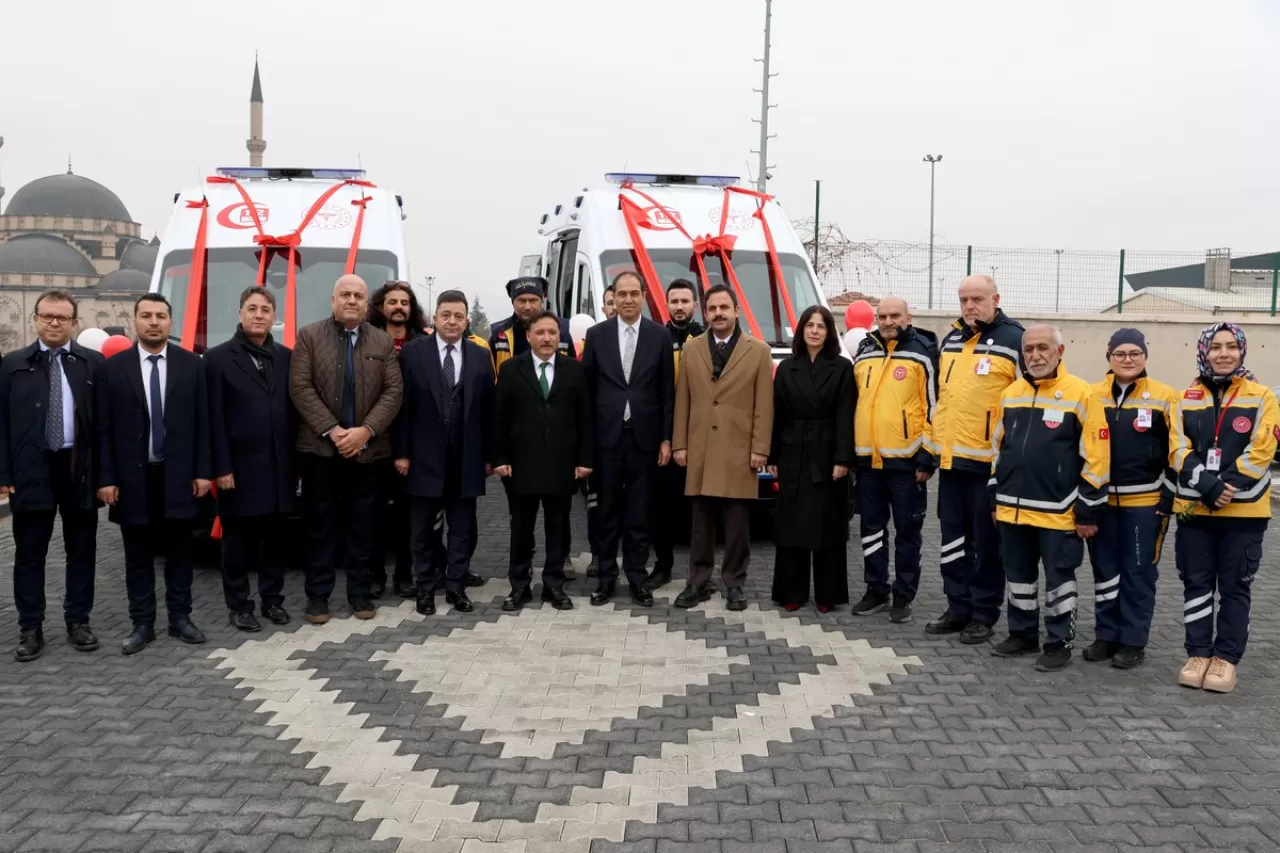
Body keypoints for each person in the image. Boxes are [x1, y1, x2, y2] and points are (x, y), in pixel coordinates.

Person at [95, 293, 213, 655]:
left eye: (161, 315)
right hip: (133, 478)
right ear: (135, 321)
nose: (154, 322)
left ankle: (180, 618)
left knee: (180, 552)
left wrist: (203, 471)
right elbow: (103, 429)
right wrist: (106, 477)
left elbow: (203, 424)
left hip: (179, 475)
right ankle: (142, 623)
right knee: (138, 555)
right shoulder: (114, 369)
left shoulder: (192, 364)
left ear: (171, 322)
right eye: (146, 315)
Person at [989, 325, 1109, 672]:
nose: (1035, 355)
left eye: (1043, 348)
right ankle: (1022, 634)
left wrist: (1087, 508)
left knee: (1059, 580)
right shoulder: (1010, 393)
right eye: (1029, 349)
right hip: (1012, 510)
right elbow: (996, 448)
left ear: (1060, 351)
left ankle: (1059, 642)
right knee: (1019, 577)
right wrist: (994, 494)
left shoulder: (1081, 394)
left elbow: (1097, 457)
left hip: (1060, 512)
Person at [1170, 322, 1277, 694]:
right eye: (1215, 347)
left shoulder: (1262, 395)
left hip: (1244, 513)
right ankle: (1198, 653)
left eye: (1231, 346)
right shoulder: (1185, 396)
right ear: (1204, 351)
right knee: (1196, 584)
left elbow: (1263, 448)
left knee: (1235, 586)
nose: (1223, 354)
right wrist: (1208, 485)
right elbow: (1177, 446)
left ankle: (1226, 659)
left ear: (1242, 351)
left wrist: (1226, 486)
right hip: (1195, 511)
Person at [289, 274, 402, 625]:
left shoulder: (382, 342)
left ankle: (360, 593)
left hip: (367, 453)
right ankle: (318, 598)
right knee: (320, 526)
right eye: (345, 295)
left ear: (367, 303)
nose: (352, 300)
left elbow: (393, 392)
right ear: (333, 300)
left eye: (358, 295)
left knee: (363, 527)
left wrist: (365, 431)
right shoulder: (309, 336)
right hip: (320, 451)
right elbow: (300, 387)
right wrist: (335, 431)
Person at [0, 290, 105, 661]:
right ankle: (30, 627)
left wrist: (105, 476)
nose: (54, 323)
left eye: (62, 318)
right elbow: (1, 423)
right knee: (30, 553)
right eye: (48, 317)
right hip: (31, 468)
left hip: (78, 469)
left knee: (82, 550)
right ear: (36, 319)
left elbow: (104, 426)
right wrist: (4, 472)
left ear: (75, 322)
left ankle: (78, 620)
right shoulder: (12, 364)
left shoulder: (92, 364)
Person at [927, 274, 1025, 644]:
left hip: (989, 464)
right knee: (952, 539)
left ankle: (983, 613)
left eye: (977, 299)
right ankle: (957, 606)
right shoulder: (952, 339)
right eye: (964, 299)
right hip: (951, 461)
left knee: (986, 543)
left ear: (995, 299)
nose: (970, 306)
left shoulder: (1015, 340)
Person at [672, 284, 774, 611]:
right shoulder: (692, 349)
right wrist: (680, 444)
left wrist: (761, 448)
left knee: (737, 524)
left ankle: (734, 582)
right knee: (700, 524)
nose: (718, 314)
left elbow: (764, 404)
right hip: (700, 447)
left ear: (736, 311)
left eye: (724, 308)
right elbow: (683, 400)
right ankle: (698, 582)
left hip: (739, 449)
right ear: (706, 313)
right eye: (712, 308)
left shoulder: (757, 351)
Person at [1082, 328, 1179, 669]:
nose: (1127, 359)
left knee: (1138, 572)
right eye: (1120, 353)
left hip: (1144, 504)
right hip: (1101, 502)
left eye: (1134, 353)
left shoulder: (1165, 397)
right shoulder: (1091, 395)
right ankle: (1106, 636)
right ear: (1108, 357)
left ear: (1144, 357)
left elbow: (1177, 451)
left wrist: (1167, 496)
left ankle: (1133, 641)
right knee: (1105, 570)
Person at [394, 290, 495, 616]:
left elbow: (487, 409)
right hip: (423, 458)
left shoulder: (480, 356)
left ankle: (455, 587)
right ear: (435, 318)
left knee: (462, 528)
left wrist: (489, 455)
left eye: (459, 316)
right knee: (422, 530)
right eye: (446, 315)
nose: (452, 321)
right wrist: (402, 452)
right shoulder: (412, 353)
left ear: (467, 321)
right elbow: (402, 407)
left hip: (466, 458)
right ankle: (425, 589)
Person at [205, 286, 297, 632]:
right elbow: (213, 418)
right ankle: (240, 605)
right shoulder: (217, 359)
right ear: (240, 314)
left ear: (274, 317)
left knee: (275, 542)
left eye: (266, 309)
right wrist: (221, 467)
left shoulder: (287, 357)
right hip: (238, 471)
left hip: (278, 468)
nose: (259, 315)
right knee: (237, 544)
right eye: (252, 308)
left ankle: (272, 600)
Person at [582, 271, 675, 607]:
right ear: (613, 298)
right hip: (606, 439)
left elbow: (667, 393)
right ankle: (606, 579)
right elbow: (587, 391)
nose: (627, 300)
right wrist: (586, 443)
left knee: (639, 513)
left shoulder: (659, 336)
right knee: (606, 513)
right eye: (621, 294)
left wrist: (666, 439)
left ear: (644, 295)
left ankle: (637, 578)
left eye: (634, 293)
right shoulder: (597, 335)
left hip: (644, 440)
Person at [492, 311, 593, 611]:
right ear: (529, 337)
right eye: (540, 333)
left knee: (557, 527)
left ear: (559, 336)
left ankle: (553, 585)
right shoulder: (511, 369)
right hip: (521, 465)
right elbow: (498, 418)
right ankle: (519, 586)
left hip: (562, 464)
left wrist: (585, 459)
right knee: (521, 528)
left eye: (552, 332)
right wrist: (499, 458)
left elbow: (585, 419)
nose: (547, 338)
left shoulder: (574, 370)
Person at [849, 297, 938, 624]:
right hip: (867, 462)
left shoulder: (922, 353)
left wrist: (928, 456)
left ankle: (903, 594)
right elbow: (855, 402)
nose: (888, 321)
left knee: (907, 531)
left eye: (894, 315)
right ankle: (876, 588)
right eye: (882, 316)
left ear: (908, 317)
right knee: (871, 529)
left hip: (907, 463)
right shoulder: (865, 351)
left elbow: (934, 408)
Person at [768, 306, 854, 613]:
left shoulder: (843, 368)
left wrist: (843, 458)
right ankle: (792, 592)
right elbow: (776, 414)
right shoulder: (787, 367)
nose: (815, 331)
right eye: (810, 325)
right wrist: (772, 455)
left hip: (828, 453)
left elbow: (846, 416)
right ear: (801, 330)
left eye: (821, 326)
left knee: (827, 524)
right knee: (792, 523)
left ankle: (827, 595)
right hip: (793, 452)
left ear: (830, 332)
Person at [367, 280, 428, 599]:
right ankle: (375, 575)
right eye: (392, 302)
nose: (399, 307)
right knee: (374, 514)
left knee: (409, 516)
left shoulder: (423, 343)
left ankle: (405, 575)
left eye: (404, 302)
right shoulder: (368, 342)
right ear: (381, 307)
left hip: (413, 445)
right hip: (376, 442)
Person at [647, 279, 704, 590]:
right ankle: (663, 565)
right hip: (666, 435)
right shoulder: (656, 338)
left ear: (695, 304)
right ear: (665, 305)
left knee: (700, 510)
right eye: (674, 301)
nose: (680, 306)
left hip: (701, 436)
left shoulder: (706, 339)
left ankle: (700, 572)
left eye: (685, 300)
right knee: (661, 506)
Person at [488, 276, 576, 373]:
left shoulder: (565, 329)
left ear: (542, 301)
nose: (527, 307)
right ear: (512, 302)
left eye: (533, 300)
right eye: (522, 301)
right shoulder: (499, 333)